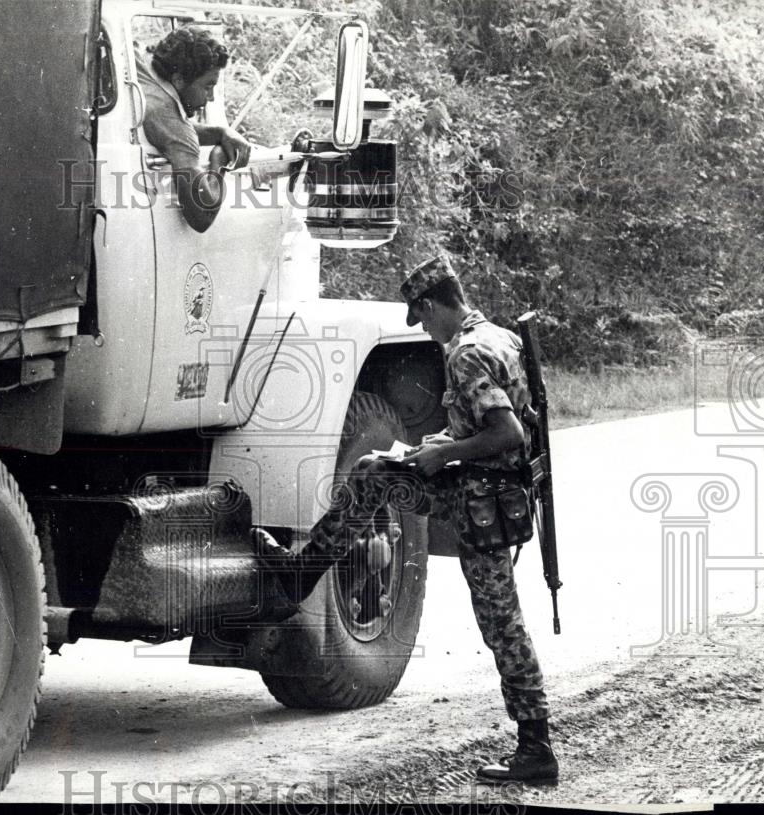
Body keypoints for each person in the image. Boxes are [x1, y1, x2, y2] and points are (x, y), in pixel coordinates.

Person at [254, 254, 558, 785]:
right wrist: (436, 447)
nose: (425, 331)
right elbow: (494, 427)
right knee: (374, 472)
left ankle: (536, 749)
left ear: (434, 304)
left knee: (502, 626)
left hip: (481, 503)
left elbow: (507, 434)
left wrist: (442, 456)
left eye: (422, 318)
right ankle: (301, 575)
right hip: (483, 490)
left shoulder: (466, 354)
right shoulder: (497, 335)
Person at [137, 27, 251, 232]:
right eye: (207, 87)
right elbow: (201, 216)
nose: (210, 98)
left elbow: (164, 128)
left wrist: (220, 133)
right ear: (179, 79)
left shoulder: (140, 64)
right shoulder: (173, 122)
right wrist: (219, 161)